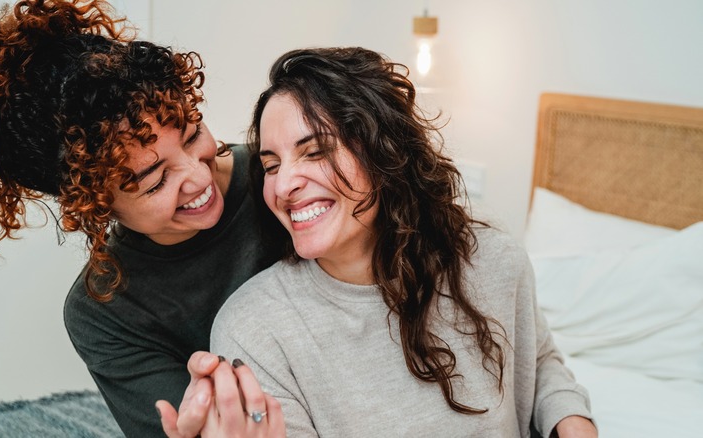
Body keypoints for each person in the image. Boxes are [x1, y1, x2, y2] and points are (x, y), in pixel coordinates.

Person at [164, 47, 598, 437]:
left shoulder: (494, 260)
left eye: (315, 152)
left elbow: (539, 362)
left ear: (383, 152)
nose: (283, 185)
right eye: (271, 165)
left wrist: (572, 420)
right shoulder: (254, 331)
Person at [0, 1, 280, 436]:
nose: (199, 176)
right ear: (93, 204)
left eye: (192, 135)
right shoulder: (105, 312)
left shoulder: (281, 177)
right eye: (155, 181)